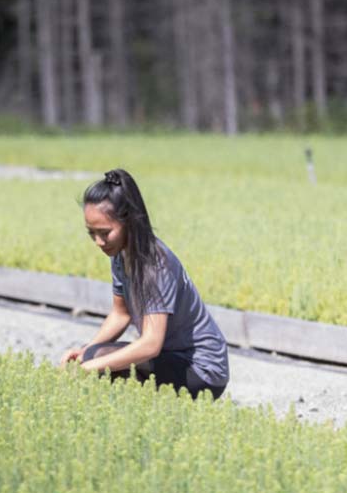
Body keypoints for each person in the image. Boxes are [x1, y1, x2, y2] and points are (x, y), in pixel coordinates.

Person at [59, 168, 229, 400]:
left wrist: (91, 365)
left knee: (98, 362)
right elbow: (121, 314)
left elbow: (150, 345)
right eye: (92, 234)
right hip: (169, 359)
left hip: (202, 370)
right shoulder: (120, 255)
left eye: (105, 233)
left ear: (129, 221)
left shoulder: (154, 264)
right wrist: (85, 350)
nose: (98, 242)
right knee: (93, 355)